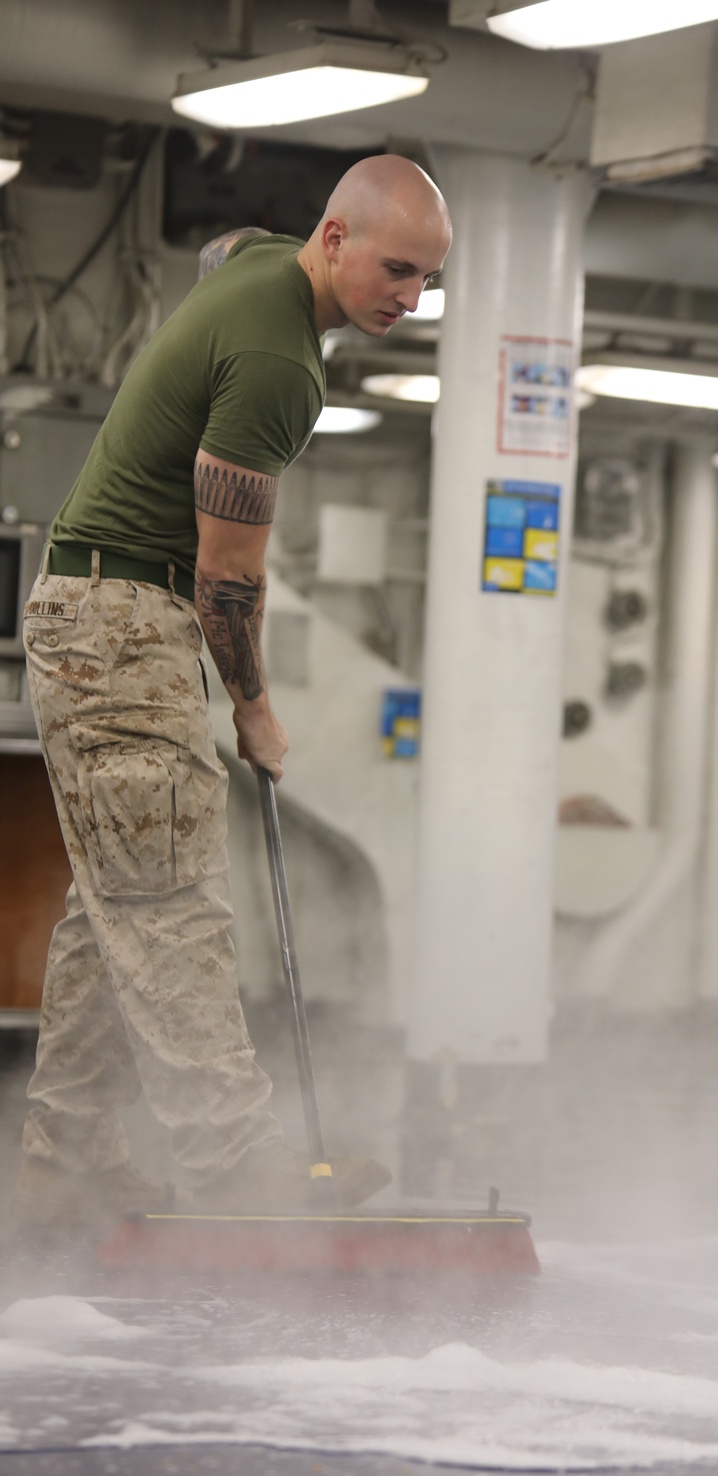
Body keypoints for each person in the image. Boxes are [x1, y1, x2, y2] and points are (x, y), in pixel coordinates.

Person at [11, 155, 453, 1236]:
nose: (410, 297)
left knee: (114, 908)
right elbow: (227, 574)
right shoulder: (276, 361)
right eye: (397, 268)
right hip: (125, 623)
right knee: (171, 906)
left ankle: (67, 1158)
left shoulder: (258, 268)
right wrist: (254, 706)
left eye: (428, 281)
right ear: (335, 240)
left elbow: (224, 249)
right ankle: (231, 1163)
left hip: (96, 611)